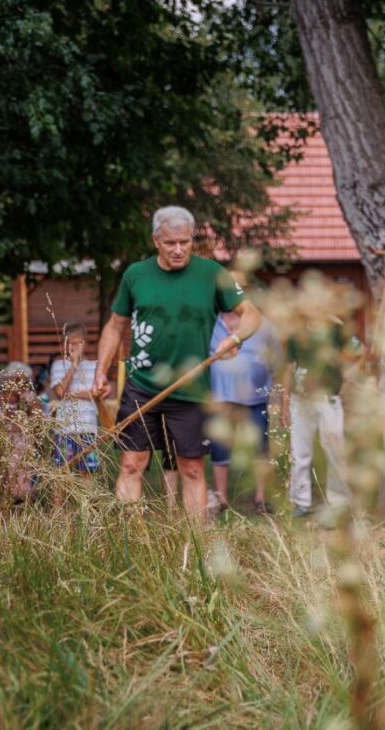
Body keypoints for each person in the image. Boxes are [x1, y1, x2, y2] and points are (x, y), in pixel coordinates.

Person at [93, 206, 261, 518]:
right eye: (170, 243)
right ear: (156, 240)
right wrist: (100, 372)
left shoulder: (211, 274)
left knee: (193, 469)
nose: (179, 249)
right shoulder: (136, 275)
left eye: (185, 242)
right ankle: (129, 540)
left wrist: (233, 340)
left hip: (191, 387)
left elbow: (251, 314)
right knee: (131, 463)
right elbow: (115, 325)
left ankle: (194, 547)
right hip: (142, 385)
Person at [208, 271, 278, 514]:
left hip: (254, 398)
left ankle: (260, 498)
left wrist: (276, 393)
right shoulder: (210, 322)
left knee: (260, 448)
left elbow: (277, 360)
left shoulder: (263, 324)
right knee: (219, 447)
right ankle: (221, 499)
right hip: (221, 398)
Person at [283, 309, 363, 518]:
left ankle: (339, 502)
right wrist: (284, 401)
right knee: (299, 452)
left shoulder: (336, 329)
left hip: (328, 398)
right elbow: (289, 367)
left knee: (334, 449)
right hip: (300, 398)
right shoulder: (296, 333)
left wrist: (346, 375)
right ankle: (300, 502)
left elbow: (358, 351)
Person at [49, 323, 102, 477]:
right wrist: (74, 365)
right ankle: (59, 503)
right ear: (66, 344)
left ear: (85, 344)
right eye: (72, 343)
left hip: (89, 428)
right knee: (61, 473)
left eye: (79, 343)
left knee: (88, 472)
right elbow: (59, 392)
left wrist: (71, 393)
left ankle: (85, 502)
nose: (76, 347)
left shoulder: (94, 366)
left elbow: (96, 393)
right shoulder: (59, 365)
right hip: (65, 429)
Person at [0, 361, 43, 502]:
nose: (16, 383)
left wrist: (23, 418)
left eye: (21, 380)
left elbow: (38, 417)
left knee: (19, 456)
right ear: (5, 380)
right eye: (13, 379)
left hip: (21, 440)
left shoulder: (28, 397)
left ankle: (19, 495)